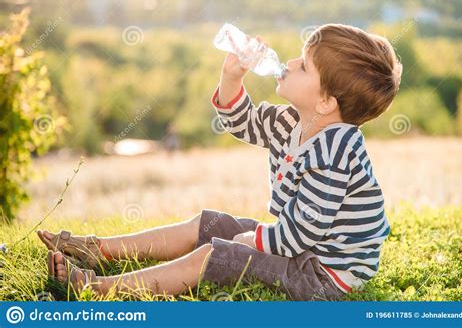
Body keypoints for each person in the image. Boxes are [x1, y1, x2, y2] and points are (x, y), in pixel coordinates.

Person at [39, 23, 402, 301]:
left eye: (304, 66)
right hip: (304, 247)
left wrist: (252, 240)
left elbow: (301, 233)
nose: (290, 62)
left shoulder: (335, 154)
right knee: (207, 223)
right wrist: (232, 78)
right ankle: (97, 249)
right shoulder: (291, 121)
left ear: (325, 102)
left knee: (214, 255)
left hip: (322, 273)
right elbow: (242, 122)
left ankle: (98, 287)